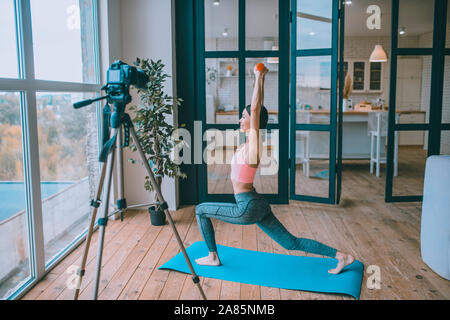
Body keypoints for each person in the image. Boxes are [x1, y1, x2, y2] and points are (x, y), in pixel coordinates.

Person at [195, 63, 354, 274]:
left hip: (247, 206)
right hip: (257, 203)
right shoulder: (247, 144)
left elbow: (255, 108)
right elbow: (253, 111)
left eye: (244, 116)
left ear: (254, 120)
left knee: (200, 210)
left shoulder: (254, 143)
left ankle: (213, 257)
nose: (240, 119)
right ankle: (341, 256)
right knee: (290, 243)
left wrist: (259, 77)